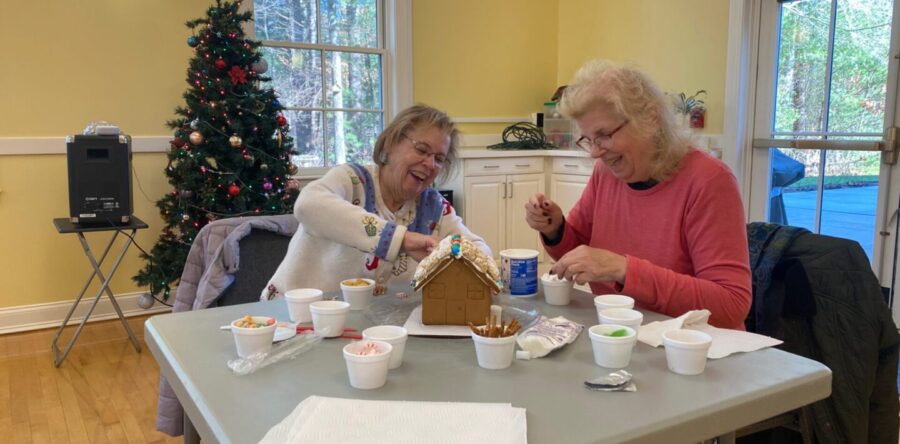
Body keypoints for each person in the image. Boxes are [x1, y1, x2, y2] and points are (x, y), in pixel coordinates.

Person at [526, 60, 751, 329]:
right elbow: (581, 254)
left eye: (604, 135)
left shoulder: (709, 181)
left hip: (692, 350)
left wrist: (624, 269)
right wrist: (556, 229)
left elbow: (731, 305)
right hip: (623, 337)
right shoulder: (606, 173)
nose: (596, 152)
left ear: (651, 119)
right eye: (588, 140)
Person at [263, 104, 490, 299]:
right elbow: (307, 205)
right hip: (291, 317)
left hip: (362, 330)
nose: (430, 164)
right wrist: (400, 239)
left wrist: (457, 254)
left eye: (439, 159)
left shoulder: (435, 208)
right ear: (390, 144)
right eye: (422, 150)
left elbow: (480, 251)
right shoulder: (351, 180)